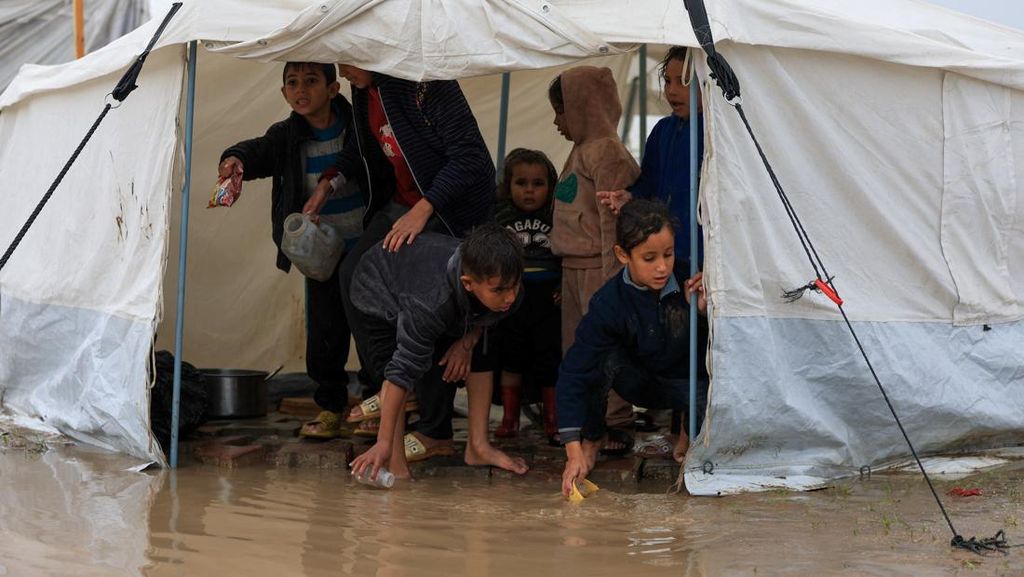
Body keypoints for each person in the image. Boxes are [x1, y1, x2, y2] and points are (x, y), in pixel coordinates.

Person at [305, 65, 496, 447]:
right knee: (355, 272)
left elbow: (471, 158)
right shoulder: (364, 89)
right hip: (404, 203)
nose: (342, 71)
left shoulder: (428, 84)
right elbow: (361, 150)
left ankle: (434, 429)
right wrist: (328, 183)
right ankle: (395, 385)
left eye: (348, 59)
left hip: (449, 211)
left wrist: (424, 210)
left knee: (431, 301)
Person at [217, 62, 366, 439]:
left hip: (365, 246)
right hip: (319, 256)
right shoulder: (286, 136)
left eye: (312, 81)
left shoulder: (357, 127)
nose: (301, 89)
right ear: (284, 93)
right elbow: (260, 151)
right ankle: (331, 408)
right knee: (324, 335)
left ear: (334, 89)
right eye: (293, 83)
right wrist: (236, 159)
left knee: (370, 330)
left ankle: (374, 406)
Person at [348, 224, 530, 482]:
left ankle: (478, 446)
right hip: (378, 292)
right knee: (397, 365)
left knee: (483, 345)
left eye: (514, 285)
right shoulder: (430, 303)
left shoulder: (507, 289)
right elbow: (401, 372)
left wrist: (468, 340)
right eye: (500, 289)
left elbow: (489, 317)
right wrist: (383, 441)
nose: (510, 296)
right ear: (468, 284)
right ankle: (394, 461)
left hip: (435, 294)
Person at [556, 199, 709, 496]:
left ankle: (687, 436)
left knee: (710, 374)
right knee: (598, 360)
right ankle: (593, 439)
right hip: (638, 384)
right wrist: (573, 451)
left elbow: (718, 355)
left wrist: (703, 311)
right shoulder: (609, 302)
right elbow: (575, 374)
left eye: (668, 254)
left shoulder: (692, 281)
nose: (663, 267)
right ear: (623, 255)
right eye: (649, 258)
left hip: (687, 385)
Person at [548, 66, 641, 454]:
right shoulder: (580, 150)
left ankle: (615, 420)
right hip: (573, 268)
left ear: (584, 108)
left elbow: (612, 222)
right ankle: (588, 420)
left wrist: (612, 278)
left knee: (604, 345)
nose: (556, 121)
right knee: (578, 350)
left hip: (597, 269)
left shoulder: (606, 152)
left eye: (561, 110)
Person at [597, 46, 704, 268]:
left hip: (704, 249)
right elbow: (649, 182)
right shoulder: (662, 130)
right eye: (667, 81)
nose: (672, 91)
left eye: (683, 82)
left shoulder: (718, 132)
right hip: (665, 249)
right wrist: (631, 196)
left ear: (706, 82)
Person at [491, 148, 562, 445]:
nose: (530, 191)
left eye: (538, 184)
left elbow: (566, 254)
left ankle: (553, 419)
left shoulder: (556, 215)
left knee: (550, 360)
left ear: (550, 186)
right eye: (521, 183)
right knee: (511, 359)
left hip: (547, 299)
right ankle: (510, 418)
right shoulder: (500, 216)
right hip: (512, 299)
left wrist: (564, 284)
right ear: (508, 186)